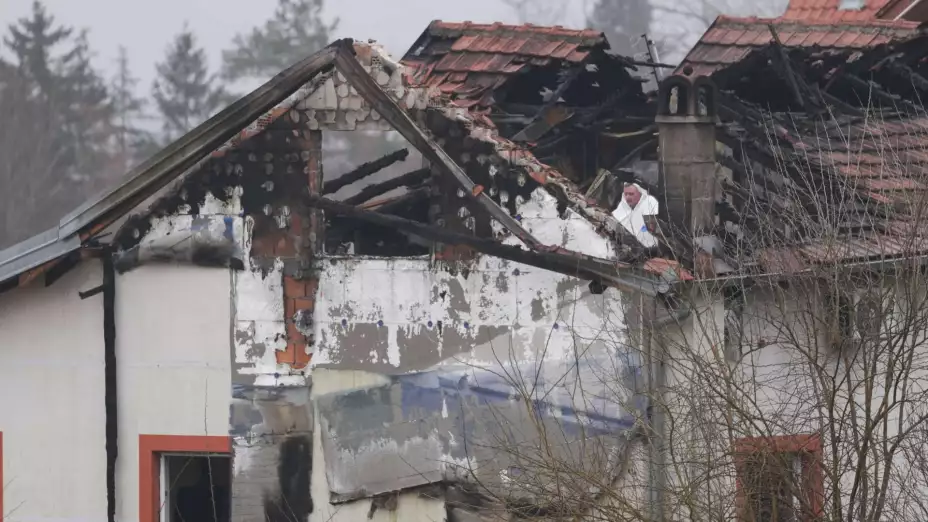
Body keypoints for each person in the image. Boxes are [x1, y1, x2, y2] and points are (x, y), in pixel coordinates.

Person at [612, 182, 659, 248]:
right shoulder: (623, 204)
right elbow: (615, 220)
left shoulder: (649, 203)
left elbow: (652, 230)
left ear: (640, 193)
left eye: (631, 194)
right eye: (625, 194)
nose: (627, 197)